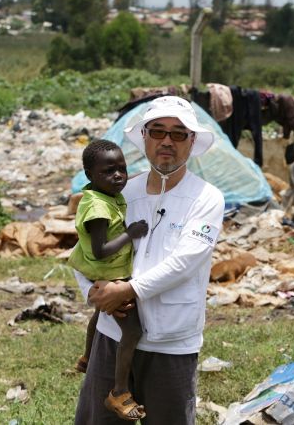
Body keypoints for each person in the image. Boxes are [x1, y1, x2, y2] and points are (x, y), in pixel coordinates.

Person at [74, 96, 225, 425]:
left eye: (178, 133)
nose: (167, 141)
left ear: (192, 141)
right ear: (144, 137)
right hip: (112, 334)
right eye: (157, 131)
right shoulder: (121, 191)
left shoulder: (207, 198)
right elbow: (86, 248)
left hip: (172, 341)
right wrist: (92, 291)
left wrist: (126, 291)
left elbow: (186, 261)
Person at [68, 139, 149, 421]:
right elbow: (101, 251)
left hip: (97, 270)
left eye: (122, 169)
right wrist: (132, 233)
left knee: (98, 315)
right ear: (90, 176)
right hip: (106, 272)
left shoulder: (105, 195)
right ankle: (119, 391)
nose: (118, 176)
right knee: (133, 331)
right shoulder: (97, 208)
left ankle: (87, 357)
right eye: (108, 171)